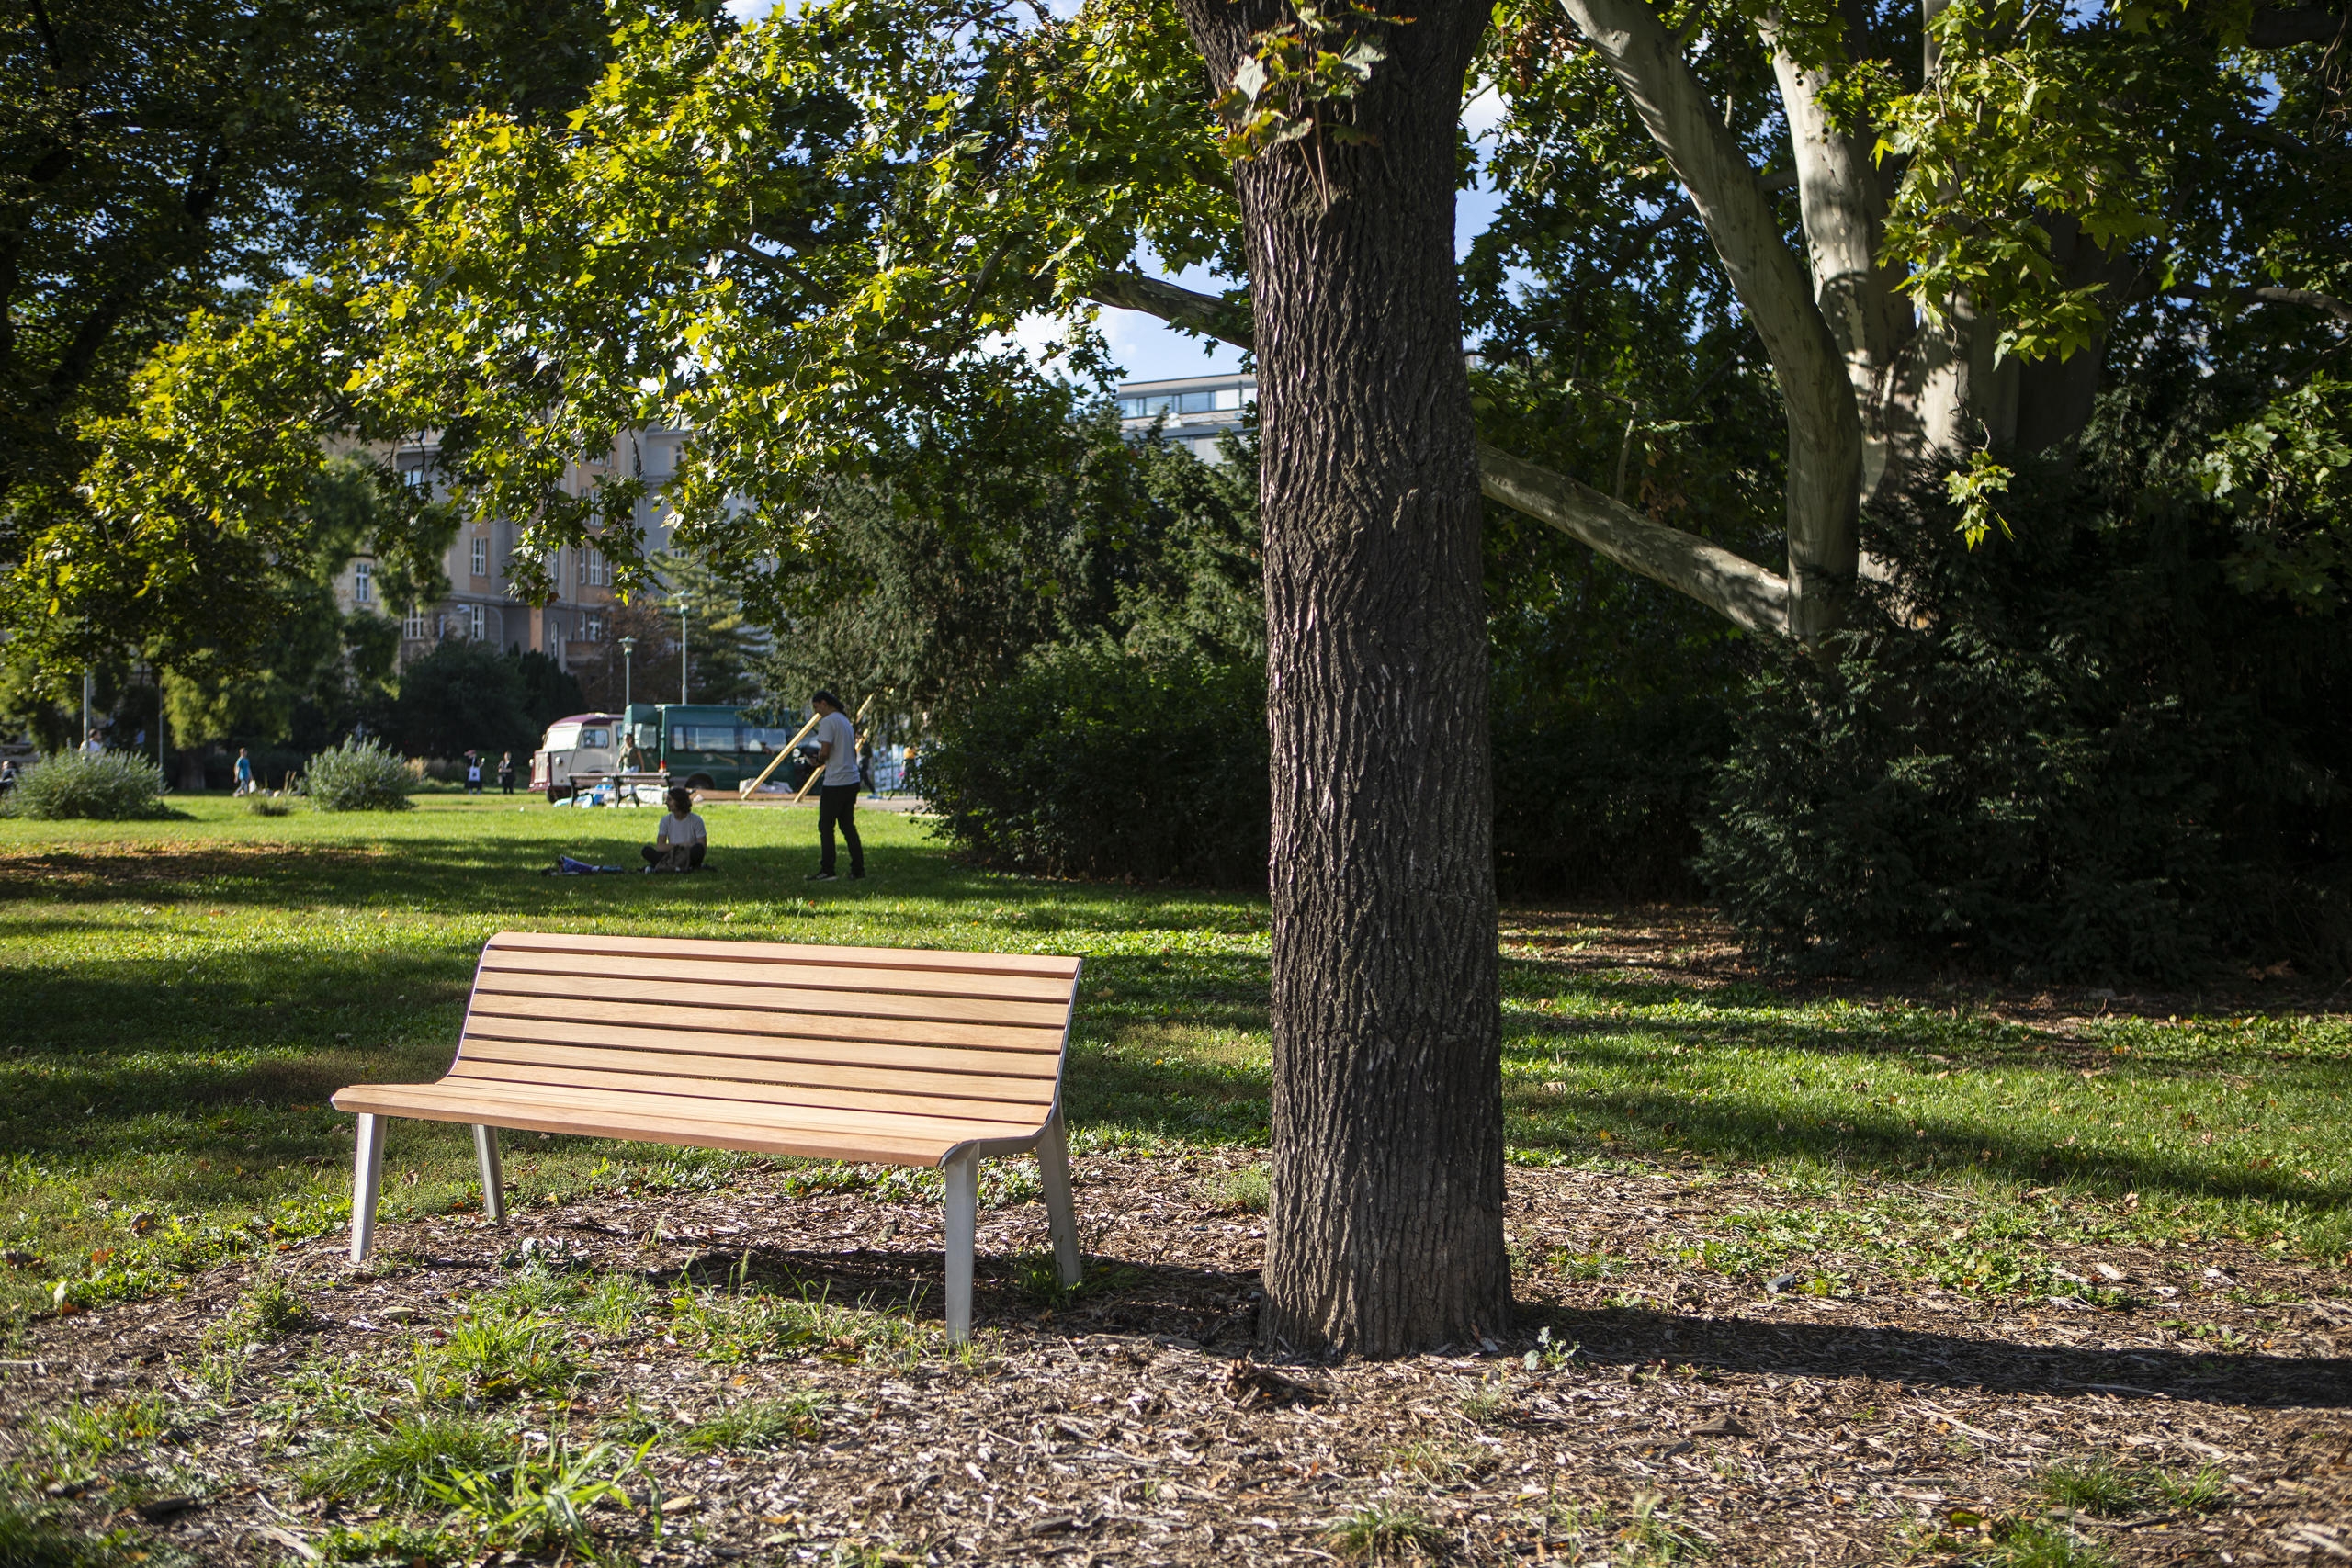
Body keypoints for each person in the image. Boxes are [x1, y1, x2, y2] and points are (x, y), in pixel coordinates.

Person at [806, 691, 864, 881]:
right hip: (852, 779)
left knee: (826, 826)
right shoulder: (845, 721)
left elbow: (826, 750)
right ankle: (858, 869)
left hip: (836, 781)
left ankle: (828, 869)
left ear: (824, 703)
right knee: (847, 826)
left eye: (817, 707)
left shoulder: (828, 722)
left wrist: (817, 760)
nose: (817, 713)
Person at [641, 785, 707, 870]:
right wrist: (680, 845)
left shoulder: (696, 820)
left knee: (698, 850)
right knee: (646, 850)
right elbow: (660, 846)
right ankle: (680, 867)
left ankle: (669, 866)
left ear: (679, 801)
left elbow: (702, 847)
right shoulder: (666, 820)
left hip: (688, 854)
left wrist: (687, 848)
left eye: (669, 800)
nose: (666, 802)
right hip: (671, 854)